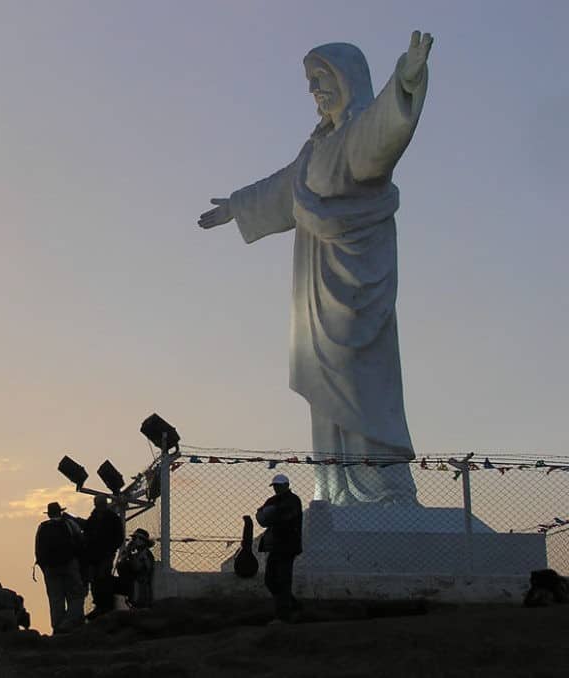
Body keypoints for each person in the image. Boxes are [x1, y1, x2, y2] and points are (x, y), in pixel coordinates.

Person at [197, 32, 435, 505]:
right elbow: (285, 188)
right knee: (327, 391)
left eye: (320, 78)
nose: (313, 90)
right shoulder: (316, 149)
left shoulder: (357, 134)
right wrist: (237, 207)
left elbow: (386, 131)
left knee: (360, 381)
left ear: (346, 80)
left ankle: (382, 485)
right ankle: (339, 486)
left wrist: (404, 83)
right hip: (318, 295)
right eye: (309, 81)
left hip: (355, 291)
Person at [255, 474, 304, 622]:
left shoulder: (293, 500)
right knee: (270, 580)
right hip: (275, 545)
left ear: (286, 485)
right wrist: (266, 513)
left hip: (288, 545)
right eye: (275, 486)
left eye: (279, 485)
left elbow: (285, 516)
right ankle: (294, 606)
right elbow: (262, 517)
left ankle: (283, 615)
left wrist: (271, 513)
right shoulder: (273, 500)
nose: (276, 488)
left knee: (283, 580)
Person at [34, 501, 86, 633]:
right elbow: (80, 541)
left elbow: (38, 550)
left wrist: (44, 567)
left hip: (50, 568)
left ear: (49, 514)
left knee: (55, 598)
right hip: (69, 564)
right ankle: (70, 623)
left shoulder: (42, 527)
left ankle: (57, 627)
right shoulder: (68, 524)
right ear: (60, 512)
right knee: (76, 595)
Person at [84, 496, 125, 617]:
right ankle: (101, 606)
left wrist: (110, 550)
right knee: (99, 580)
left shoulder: (95, 518)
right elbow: (119, 537)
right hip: (99, 555)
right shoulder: (111, 518)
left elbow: (118, 537)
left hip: (100, 555)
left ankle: (103, 606)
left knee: (101, 580)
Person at [116, 528, 155, 609]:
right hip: (132, 589)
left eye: (137, 538)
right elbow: (120, 565)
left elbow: (137, 567)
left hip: (141, 590)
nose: (134, 540)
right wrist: (127, 552)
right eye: (134, 538)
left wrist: (129, 554)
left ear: (143, 541)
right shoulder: (136, 555)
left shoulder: (146, 555)